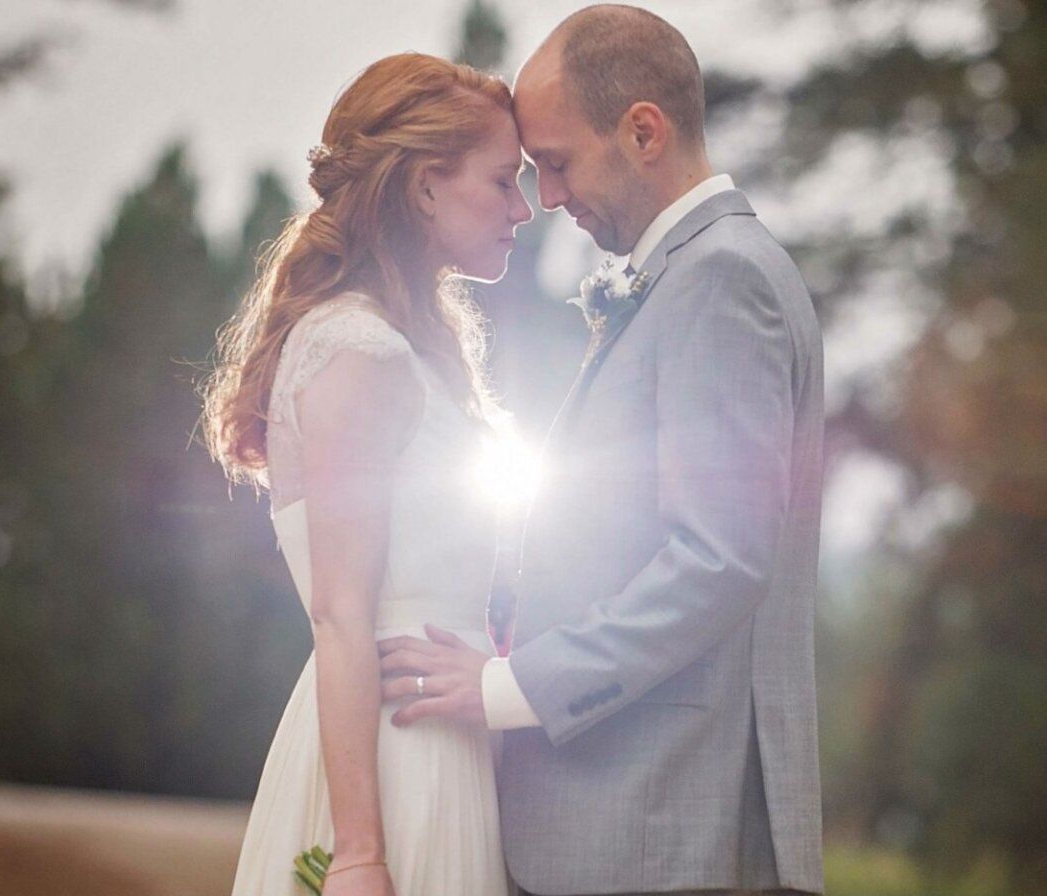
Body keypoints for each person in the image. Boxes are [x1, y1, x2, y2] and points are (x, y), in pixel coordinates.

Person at [377, 7, 827, 895]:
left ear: (644, 132)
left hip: (662, 836)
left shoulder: (721, 278)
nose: (546, 196)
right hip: (642, 833)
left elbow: (720, 559)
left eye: (556, 161)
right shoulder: (693, 275)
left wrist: (510, 687)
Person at [201, 51, 531, 896]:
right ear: (425, 187)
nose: (523, 208)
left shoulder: (408, 350)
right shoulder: (359, 351)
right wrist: (357, 855)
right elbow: (341, 612)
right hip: (395, 758)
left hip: (443, 740)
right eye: (503, 182)